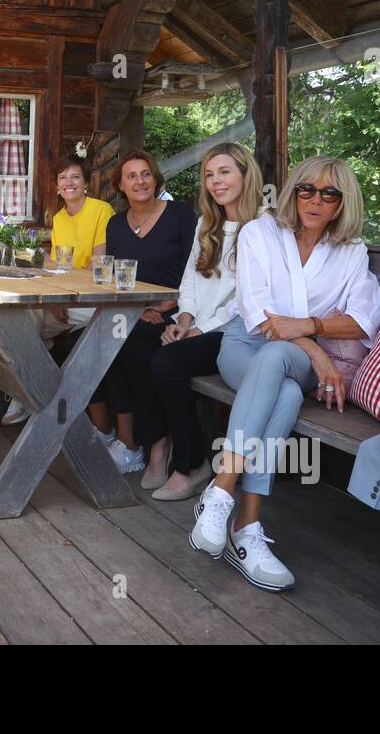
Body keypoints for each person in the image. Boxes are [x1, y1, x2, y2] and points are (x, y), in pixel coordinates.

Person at [189, 156, 380, 591]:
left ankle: (221, 489)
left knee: (277, 363)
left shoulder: (352, 252)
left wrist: (308, 327)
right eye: (307, 189)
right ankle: (247, 526)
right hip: (245, 344)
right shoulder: (260, 232)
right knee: (289, 395)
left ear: (342, 202)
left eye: (329, 193)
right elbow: (257, 309)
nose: (316, 200)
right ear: (293, 192)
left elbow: (363, 319)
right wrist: (315, 348)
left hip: (287, 357)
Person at [142, 143, 265, 499]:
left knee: (167, 362)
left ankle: (191, 464)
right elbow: (190, 281)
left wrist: (199, 331)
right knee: (137, 343)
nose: (215, 181)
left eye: (225, 172)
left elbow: (249, 298)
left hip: (237, 335)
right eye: (209, 175)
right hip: (199, 324)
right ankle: (155, 448)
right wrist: (183, 320)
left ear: (245, 174)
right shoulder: (206, 224)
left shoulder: (264, 226)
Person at [91, 149, 197, 472]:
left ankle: (145, 442)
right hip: (133, 312)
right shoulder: (115, 225)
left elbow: (198, 270)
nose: (140, 181)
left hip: (177, 310)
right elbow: (110, 279)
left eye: (146, 173)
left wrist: (168, 305)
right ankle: (122, 439)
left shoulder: (180, 215)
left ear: (155, 178)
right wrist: (137, 310)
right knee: (97, 341)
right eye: (132, 176)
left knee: (134, 348)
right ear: (120, 186)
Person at [1, 151, 114, 425]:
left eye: (76, 177)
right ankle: (29, 392)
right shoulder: (60, 218)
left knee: (29, 325)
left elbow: (99, 267)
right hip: (65, 297)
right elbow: (56, 266)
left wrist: (62, 290)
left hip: (93, 300)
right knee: (20, 320)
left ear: (86, 182)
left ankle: (30, 394)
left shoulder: (101, 210)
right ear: (56, 186)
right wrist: (55, 296)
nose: (69, 182)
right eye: (63, 178)